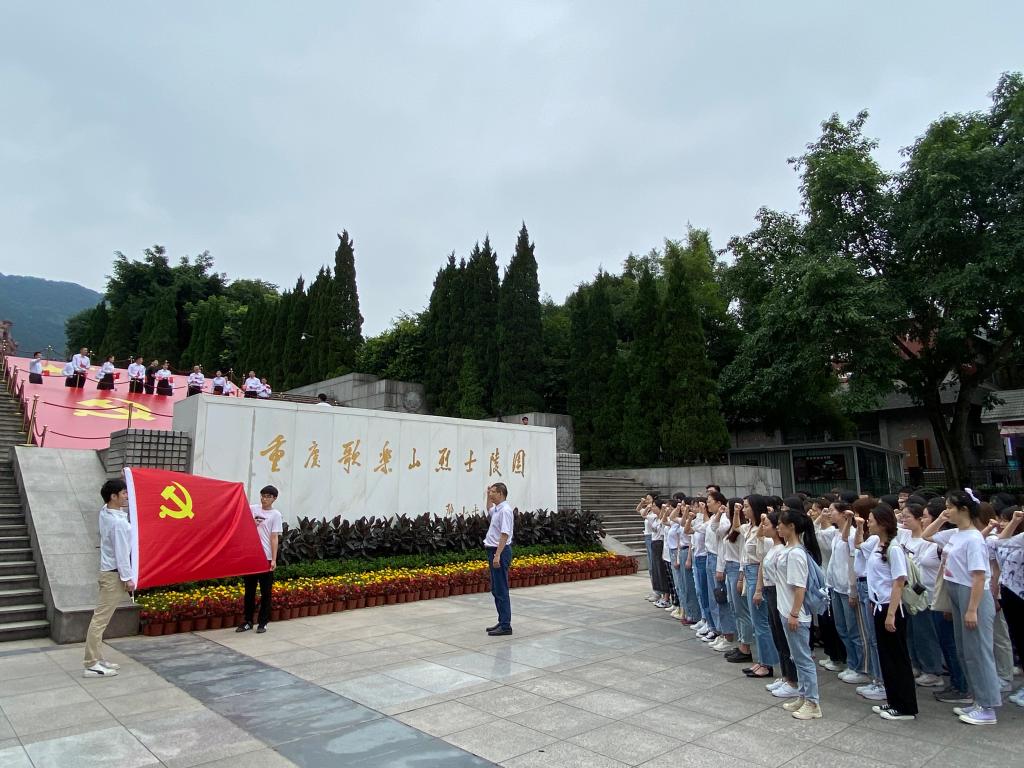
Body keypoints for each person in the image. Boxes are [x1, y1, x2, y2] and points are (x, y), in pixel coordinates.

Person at [923, 490, 1003, 725]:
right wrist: (941, 518)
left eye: (950, 507)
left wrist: (972, 609)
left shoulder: (974, 539)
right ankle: (977, 699)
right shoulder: (956, 533)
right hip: (956, 591)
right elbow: (927, 535)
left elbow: (979, 576)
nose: (946, 511)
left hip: (972, 595)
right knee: (965, 651)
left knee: (978, 652)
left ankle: (988, 706)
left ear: (964, 509)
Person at [856, 503, 918, 721]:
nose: (869, 523)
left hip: (892, 608)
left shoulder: (894, 548)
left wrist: (891, 614)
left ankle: (905, 706)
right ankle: (893, 700)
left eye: (871, 520)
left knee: (897, 658)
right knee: (887, 657)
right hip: (878, 605)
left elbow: (899, 581)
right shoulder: (877, 544)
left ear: (882, 523)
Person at [83, 479, 134, 678]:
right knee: (100, 620)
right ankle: (91, 664)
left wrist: (124, 476)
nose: (127, 496)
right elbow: (122, 553)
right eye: (123, 493)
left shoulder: (105, 512)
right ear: (113, 497)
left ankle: (97, 658)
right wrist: (128, 578)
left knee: (101, 619)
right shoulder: (117, 523)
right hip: (113, 575)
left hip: (109, 573)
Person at [237, 485, 283, 634]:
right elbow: (240, 523)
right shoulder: (253, 509)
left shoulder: (276, 515)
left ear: (274, 498)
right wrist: (251, 523)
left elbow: (274, 537)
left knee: (265, 592)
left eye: (268, 496)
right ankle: (248, 621)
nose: (264, 499)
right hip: (251, 556)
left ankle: (263, 622)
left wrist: (274, 559)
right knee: (249, 591)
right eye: (263, 495)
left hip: (266, 557)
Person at [484, 482, 514, 636]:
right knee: (496, 589)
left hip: (499, 552)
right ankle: (502, 621)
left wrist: (497, 555)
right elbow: (489, 509)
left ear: (501, 493)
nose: (491, 494)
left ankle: (505, 625)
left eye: (493, 492)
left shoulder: (505, 511)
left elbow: (504, 534)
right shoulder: (497, 509)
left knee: (501, 589)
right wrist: (487, 494)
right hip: (494, 551)